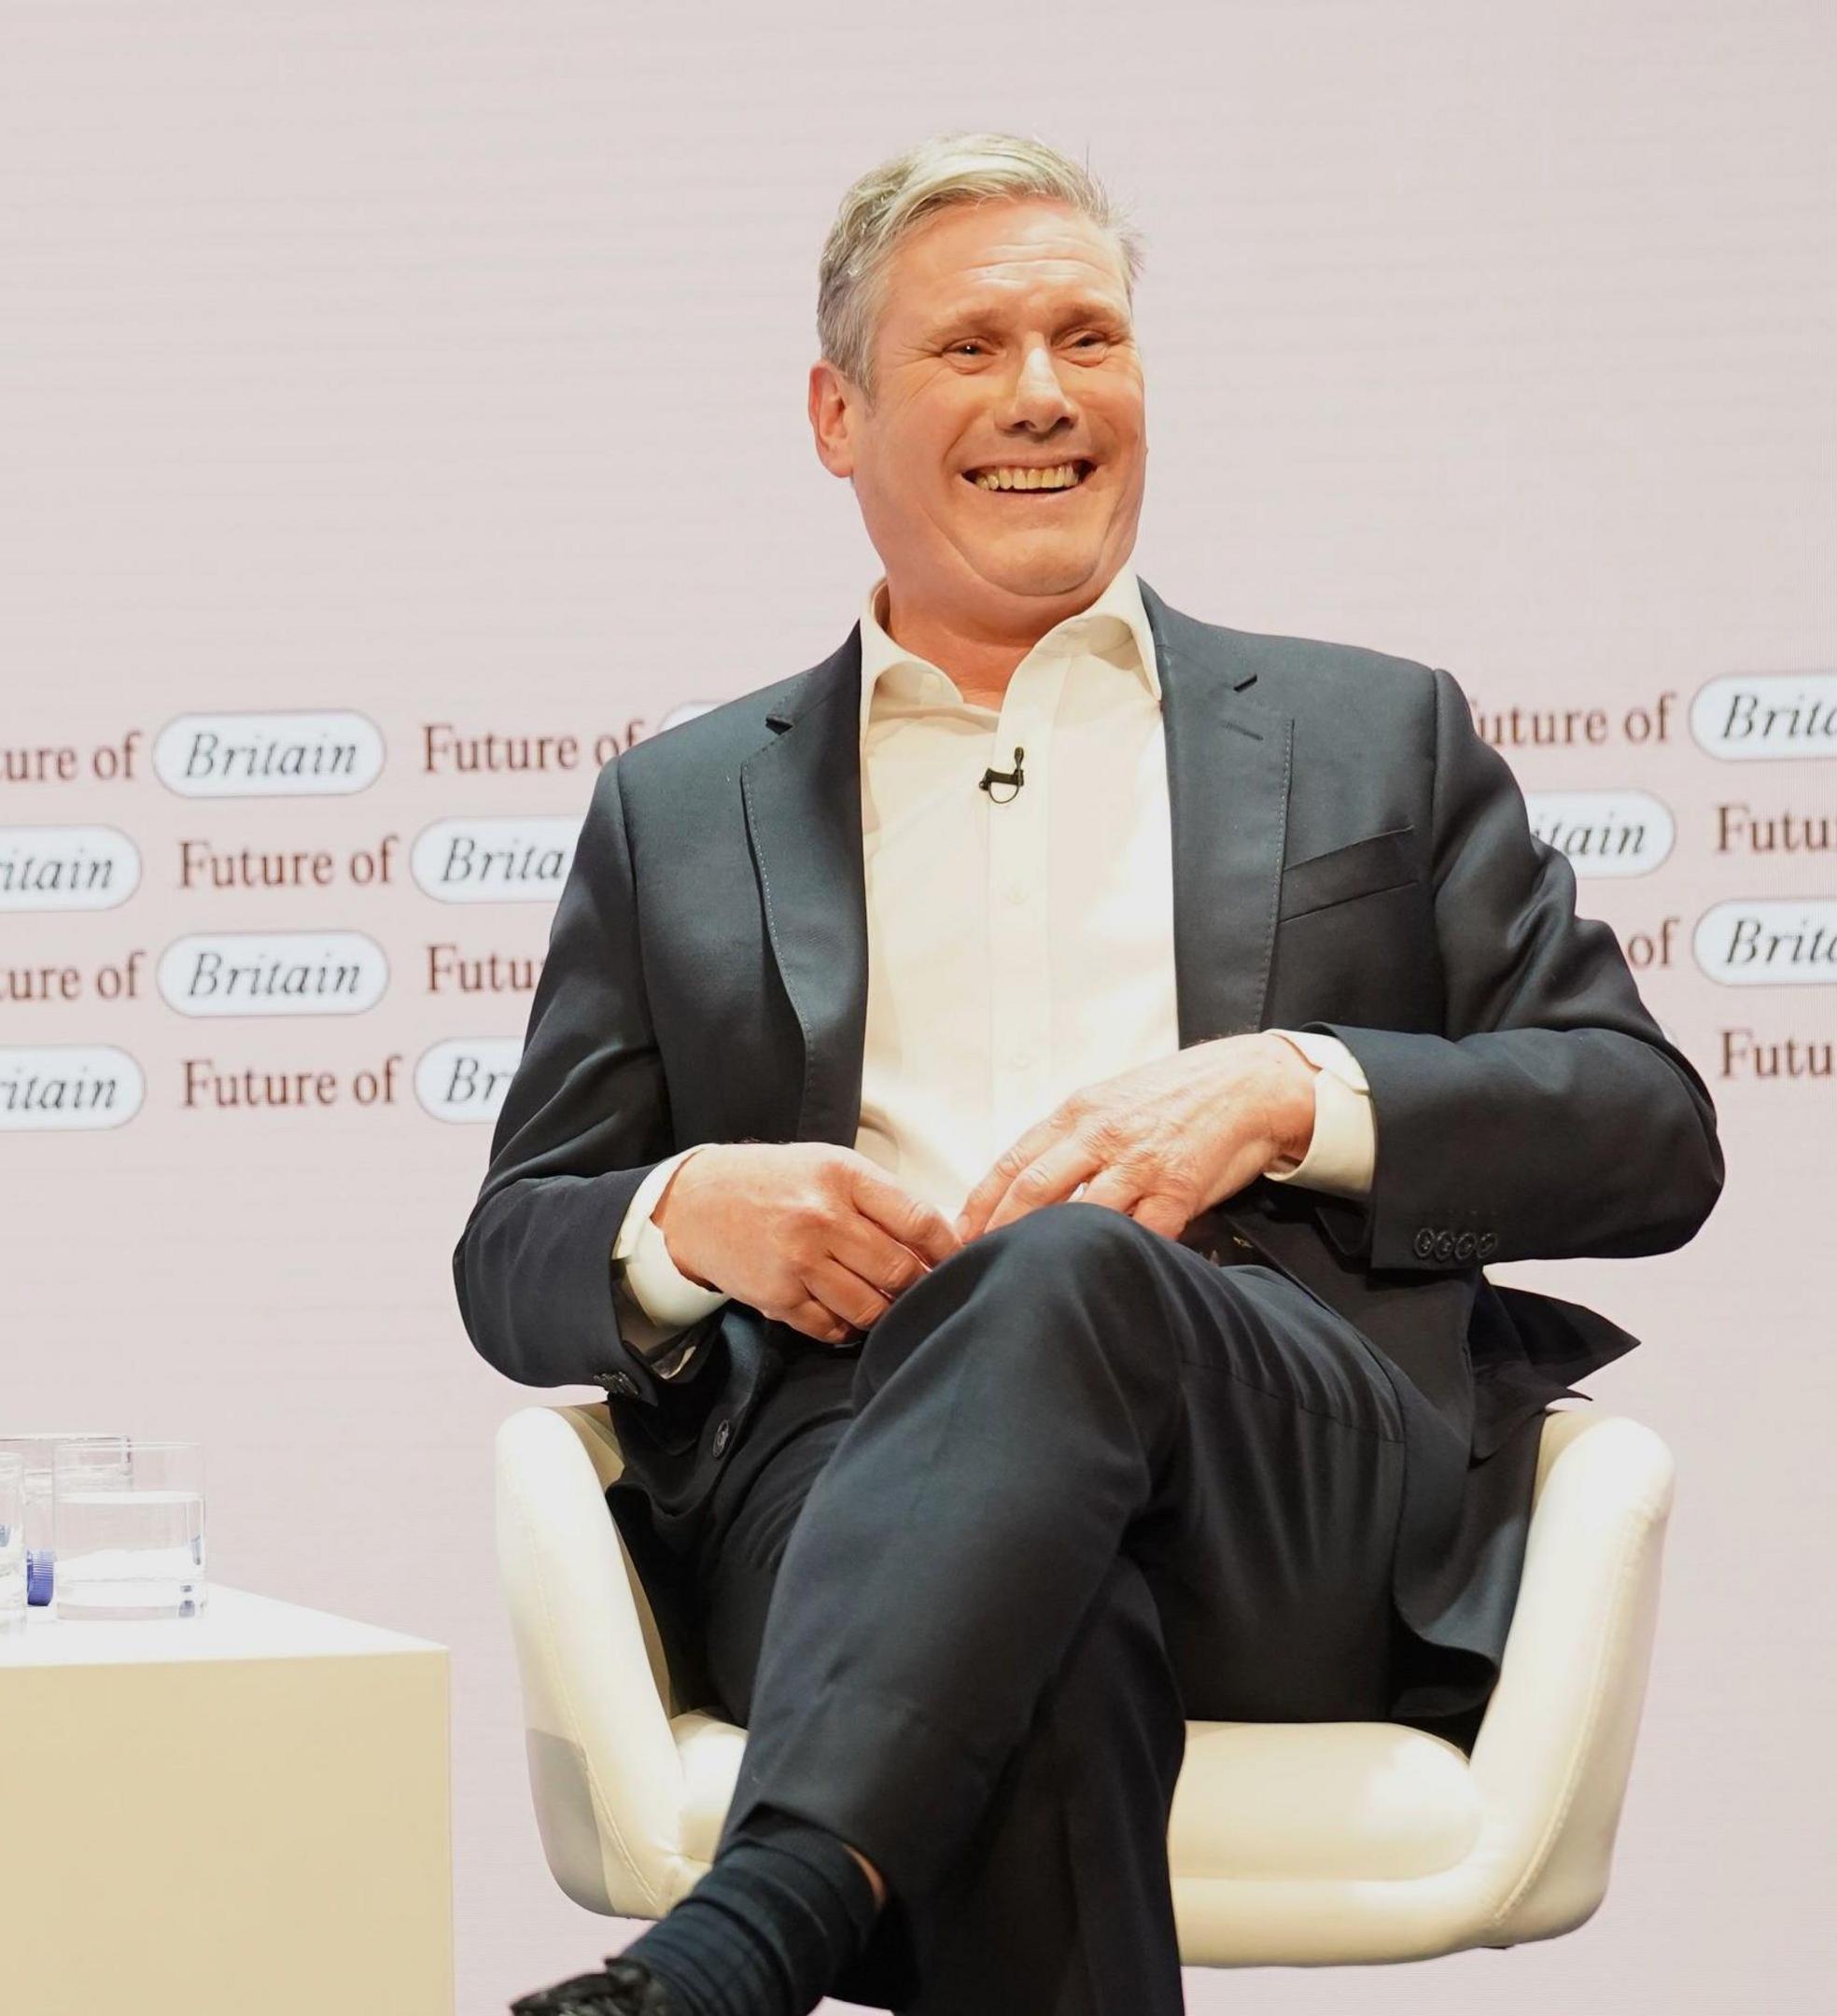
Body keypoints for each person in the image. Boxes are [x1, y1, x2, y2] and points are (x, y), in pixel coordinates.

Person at [463, 133, 1718, 2016]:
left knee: (1062, 1277)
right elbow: (511, 1253)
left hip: (1283, 1463)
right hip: (845, 1455)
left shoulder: (1372, 733)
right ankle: (747, 1946)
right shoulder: (683, 810)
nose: (1044, 396)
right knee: (1037, 1658)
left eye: (1090, 340)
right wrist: (685, 1214)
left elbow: (1649, 1134)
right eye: (972, 349)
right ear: (838, 414)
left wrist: (1300, 1091)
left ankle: (754, 1933)